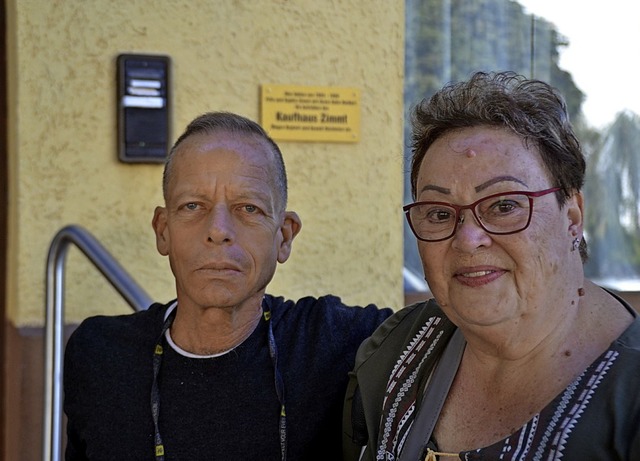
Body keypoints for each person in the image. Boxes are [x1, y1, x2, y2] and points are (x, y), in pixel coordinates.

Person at [343, 71, 640, 460]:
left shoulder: (630, 397)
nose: (467, 240)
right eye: (438, 213)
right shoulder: (399, 349)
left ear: (572, 217)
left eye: (504, 206)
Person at [63, 111, 392, 460]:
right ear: (163, 231)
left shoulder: (336, 341)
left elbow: (448, 328)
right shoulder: (100, 354)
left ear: (283, 236)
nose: (218, 229)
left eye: (248, 208)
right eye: (193, 205)